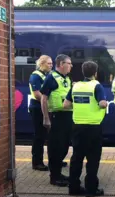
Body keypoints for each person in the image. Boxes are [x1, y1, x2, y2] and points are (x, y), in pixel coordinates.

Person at [63, 61, 107, 197]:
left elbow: (65, 105)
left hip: (78, 127)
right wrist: (102, 104)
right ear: (95, 73)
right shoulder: (97, 86)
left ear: (83, 72)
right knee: (93, 159)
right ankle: (91, 189)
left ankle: (74, 187)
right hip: (93, 127)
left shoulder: (75, 86)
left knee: (77, 157)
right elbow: (102, 104)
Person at [40, 54, 73, 187]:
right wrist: (46, 118)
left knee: (64, 146)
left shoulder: (67, 79)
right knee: (56, 147)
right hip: (56, 116)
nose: (71, 66)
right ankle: (54, 177)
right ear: (60, 64)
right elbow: (44, 98)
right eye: (68, 63)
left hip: (67, 116)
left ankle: (58, 173)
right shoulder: (51, 78)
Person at [28, 55, 52, 171]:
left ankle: (54, 160)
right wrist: (48, 102)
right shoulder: (35, 76)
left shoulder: (47, 75)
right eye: (48, 63)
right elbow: (37, 94)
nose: (51, 65)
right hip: (37, 108)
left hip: (45, 108)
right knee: (39, 136)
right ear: (42, 64)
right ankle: (37, 162)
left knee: (49, 136)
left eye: (51, 63)